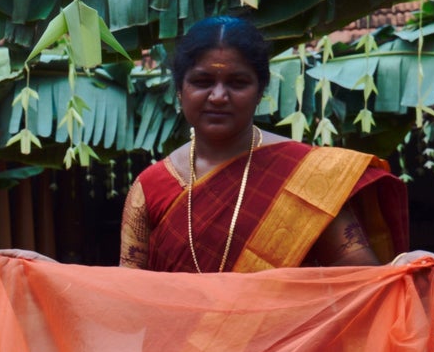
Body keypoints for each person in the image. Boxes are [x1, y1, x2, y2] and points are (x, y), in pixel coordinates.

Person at [119, 15, 409, 271]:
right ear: (180, 91)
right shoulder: (151, 188)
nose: (218, 96)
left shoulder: (307, 175)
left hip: (287, 320)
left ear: (260, 91)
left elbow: (361, 275)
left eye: (237, 83)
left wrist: (404, 266)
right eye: (202, 81)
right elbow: (129, 292)